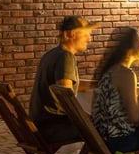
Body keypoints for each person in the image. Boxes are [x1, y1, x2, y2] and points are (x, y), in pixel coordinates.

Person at [29, 16, 97, 144]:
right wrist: (89, 120)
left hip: (41, 123)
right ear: (69, 34)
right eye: (86, 34)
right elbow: (66, 96)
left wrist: (100, 83)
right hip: (54, 127)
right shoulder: (66, 57)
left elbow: (67, 85)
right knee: (106, 127)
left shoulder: (52, 54)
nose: (89, 39)